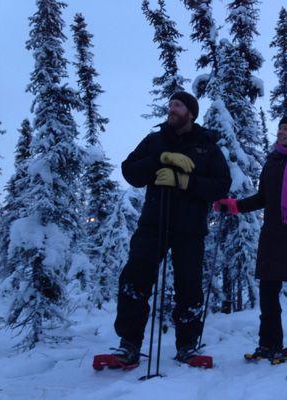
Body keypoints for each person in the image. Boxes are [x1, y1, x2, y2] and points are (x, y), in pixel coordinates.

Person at [111, 91, 231, 366]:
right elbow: (129, 171)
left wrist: (186, 183)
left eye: (178, 105)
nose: (172, 109)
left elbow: (221, 184)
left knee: (189, 287)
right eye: (170, 105)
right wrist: (160, 159)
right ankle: (128, 344)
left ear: (191, 113)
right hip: (154, 223)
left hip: (190, 228)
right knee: (134, 280)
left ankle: (188, 346)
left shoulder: (206, 146)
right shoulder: (155, 141)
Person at [214, 114, 287, 363]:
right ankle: (268, 344)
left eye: (286, 128)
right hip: (273, 235)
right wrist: (235, 206)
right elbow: (263, 198)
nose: (280, 132)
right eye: (279, 127)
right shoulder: (273, 161)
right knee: (268, 291)